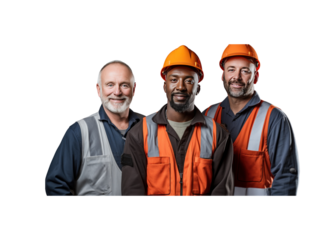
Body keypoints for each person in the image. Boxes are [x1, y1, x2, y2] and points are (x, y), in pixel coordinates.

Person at [121, 43, 234, 198]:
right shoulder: (139, 134)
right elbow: (133, 192)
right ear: (164, 86)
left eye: (188, 80)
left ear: (198, 88)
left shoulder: (218, 135)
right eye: (174, 79)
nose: (180, 87)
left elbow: (222, 193)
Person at [203, 42, 300, 198]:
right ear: (222, 75)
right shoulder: (207, 114)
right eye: (231, 69)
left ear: (256, 76)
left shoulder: (274, 118)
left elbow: (285, 179)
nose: (237, 77)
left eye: (245, 70)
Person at [44, 58, 144, 198]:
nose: (117, 92)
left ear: (134, 89)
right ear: (98, 90)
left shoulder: (151, 127)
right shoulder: (79, 132)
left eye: (124, 85)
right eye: (110, 84)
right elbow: (55, 185)